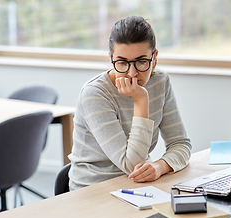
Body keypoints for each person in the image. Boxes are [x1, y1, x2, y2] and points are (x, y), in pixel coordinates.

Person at [68, 16, 192, 190]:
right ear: (111, 58)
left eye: (142, 61)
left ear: (154, 58)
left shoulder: (160, 82)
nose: (132, 73)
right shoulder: (95, 93)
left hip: (139, 185)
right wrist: (141, 100)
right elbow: (130, 164)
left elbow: (181, 144)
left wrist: (160, 166)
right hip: (93, 188)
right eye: (122, 62)